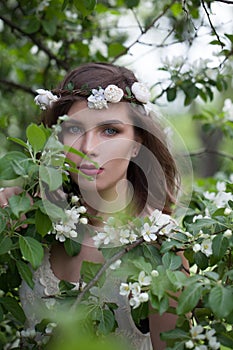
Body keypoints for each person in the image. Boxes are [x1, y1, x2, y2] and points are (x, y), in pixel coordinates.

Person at [0, 62, 182, 349]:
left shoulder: (161, 244)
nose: (88, 147)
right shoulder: (32, 222)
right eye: (74, 128)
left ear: (137, 144)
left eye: (109, 131)